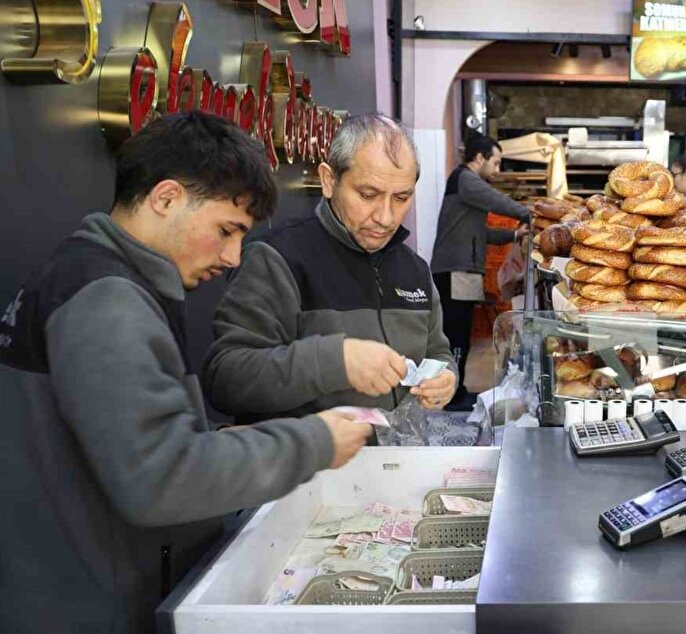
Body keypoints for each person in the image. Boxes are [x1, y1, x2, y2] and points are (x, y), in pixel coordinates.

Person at [0, 112, 373, 634]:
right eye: (227, 230)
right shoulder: (107, 301)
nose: (231, 258)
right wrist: (314, 441)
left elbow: (109, 438)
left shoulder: (87, 274)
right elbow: (161, 478)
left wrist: (222, 437)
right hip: (83, 626)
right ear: (167, 197)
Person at [203, 114, 458, 422]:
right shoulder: (277, 258)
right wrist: (334, 362)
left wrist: (446, 379)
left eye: (402, 198)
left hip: (398, 462)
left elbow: (438, 354)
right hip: (310, 465)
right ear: (328, 180)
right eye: (368, 195)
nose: (386, 217)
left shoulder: (415, 268)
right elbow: (227, 378)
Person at [431, 134, 529, 410]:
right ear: (479, 158)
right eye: (495, 163)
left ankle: (456, 390)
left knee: (460, 333)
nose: (497, 170)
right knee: (457, 335)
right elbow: (495, 199)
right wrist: (527, 213)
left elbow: (480, 233)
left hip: (462, 270)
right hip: (456, 270)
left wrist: (513, 233)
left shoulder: (465, 186)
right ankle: (452, 396)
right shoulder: (466, 179)